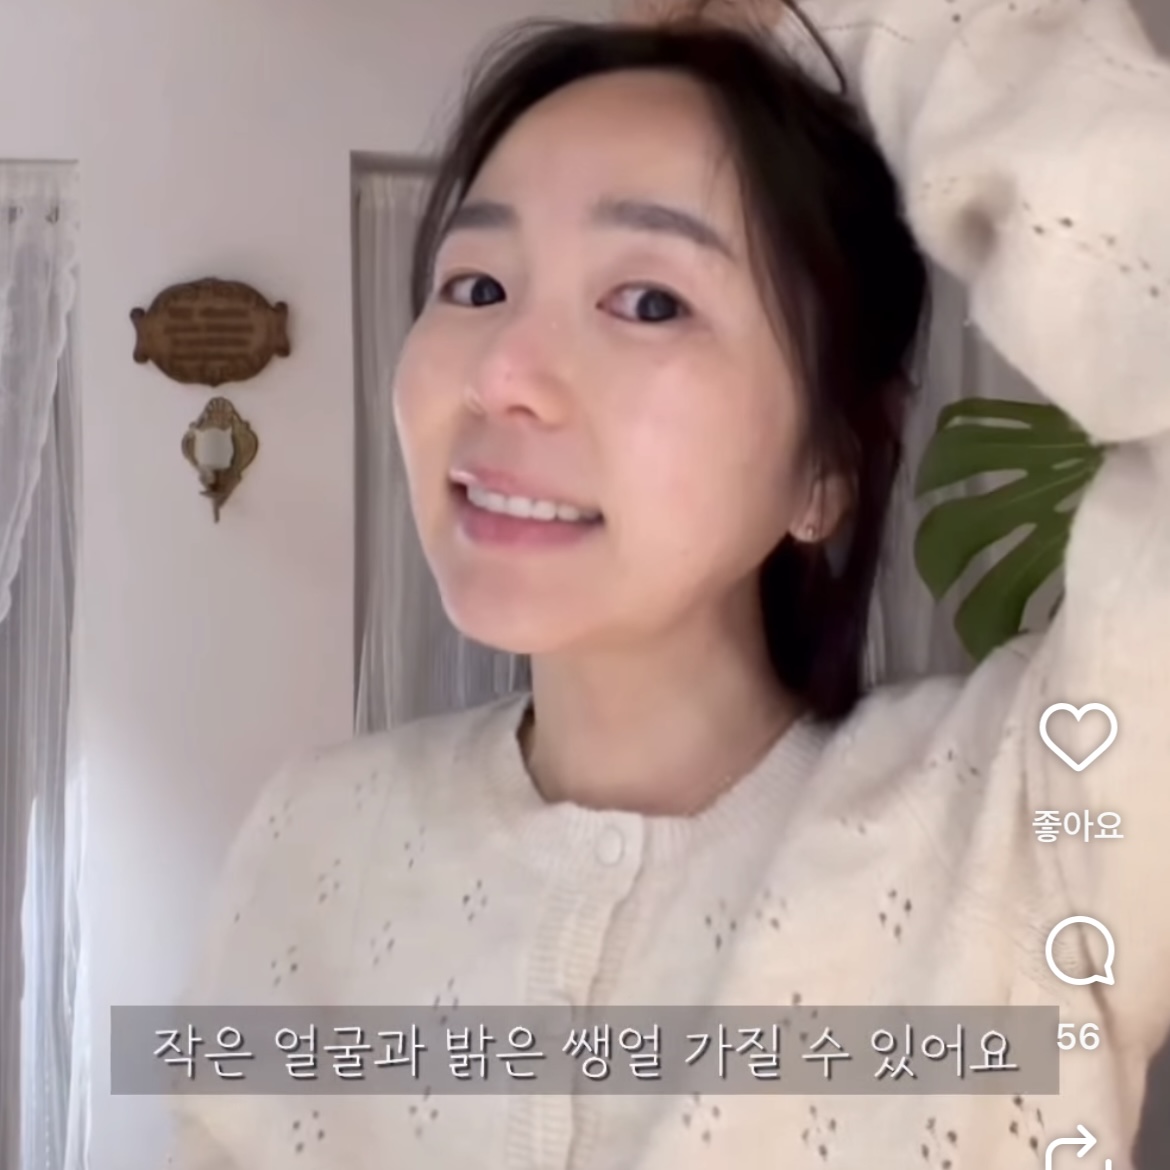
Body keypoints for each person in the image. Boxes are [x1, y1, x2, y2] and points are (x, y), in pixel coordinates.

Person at [166, 1, 1170, 1166]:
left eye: (650, 302)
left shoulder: (1040, 832)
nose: (502, 373)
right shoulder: (308, 843)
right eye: (477, 286)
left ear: (828, 466)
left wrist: (804, 12)